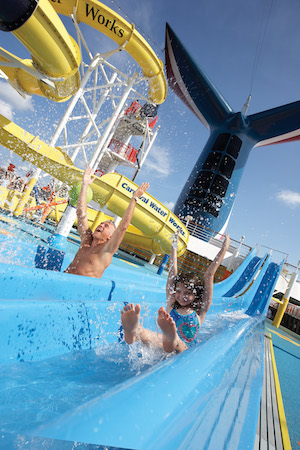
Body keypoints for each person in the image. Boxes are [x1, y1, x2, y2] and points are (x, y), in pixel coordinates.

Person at [121, 233, 231, 353]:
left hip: (184, 351)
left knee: (177, 341)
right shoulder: (171, 303)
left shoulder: (200, 312)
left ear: (196, 295)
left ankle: (171, 337)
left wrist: (224, 248)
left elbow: (209, 275)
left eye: (188, 293)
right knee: (147, 335)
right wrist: (174, 247)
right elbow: (172, 272)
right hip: (163, 346)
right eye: (178, 291)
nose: (182, 296)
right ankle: (134, 332)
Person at [65, 166, 149, 278]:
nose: (101, 225)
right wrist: (85, 185)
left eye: (106, 226)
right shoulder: (86, 240)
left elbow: (123, 226)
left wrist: (134, 198)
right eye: (101, 223)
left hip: (79, 291)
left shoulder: (107, 250)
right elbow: (81, 212)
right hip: (63, 280)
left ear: (110, 236)